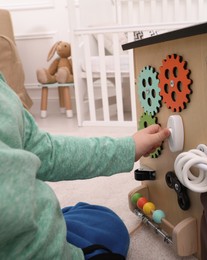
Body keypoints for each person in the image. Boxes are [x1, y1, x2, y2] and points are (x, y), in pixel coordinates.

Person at [0, 73, 170, 259]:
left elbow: (47, 151)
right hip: (41, 250)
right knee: (108, 232)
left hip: (38, 223)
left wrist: (128, 148)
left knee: (104, 220)